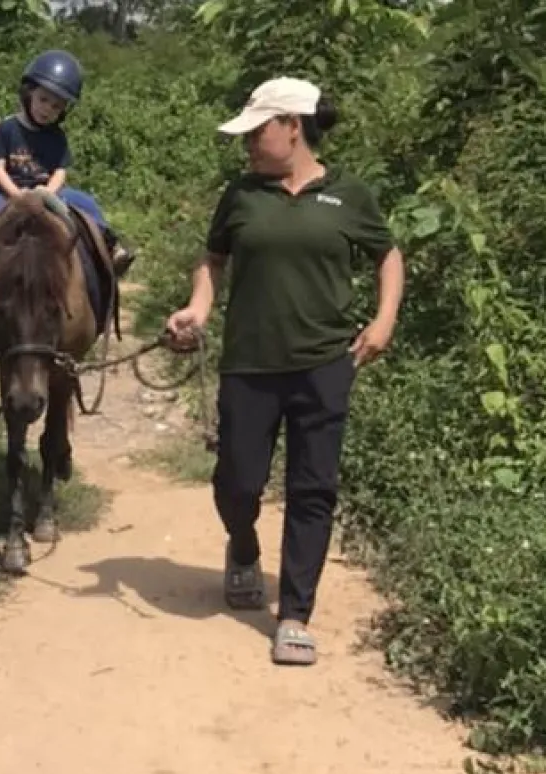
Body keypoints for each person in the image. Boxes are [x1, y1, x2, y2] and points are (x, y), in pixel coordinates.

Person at [165, 76, 405, 666]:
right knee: (237, 483)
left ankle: (294, 613)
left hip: (325, 365)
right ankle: (242, 544)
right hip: (249, 364)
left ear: (292, 127)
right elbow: (213, 258)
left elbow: (388, 255)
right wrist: (198, 308)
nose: (247, 143)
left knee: (312, 488)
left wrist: (383, 323)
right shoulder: (242, 194)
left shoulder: (350, 195)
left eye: (257, 130)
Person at [0, 49, 134, 306]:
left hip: (49, 191)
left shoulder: (56, 136)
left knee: (88, 204)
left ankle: (111, 251)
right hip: (6, 192)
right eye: (43, 99)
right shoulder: (6, 129)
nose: (48, 109)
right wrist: (17, 196)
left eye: (57, 105)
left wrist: (48, 192)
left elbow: (60, 169)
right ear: (28, 93)